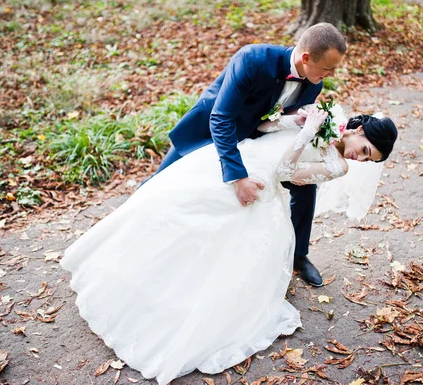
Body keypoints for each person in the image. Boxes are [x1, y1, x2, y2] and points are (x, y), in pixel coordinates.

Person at [60, 105, 397, 385]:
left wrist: (308, 130)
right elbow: (265, 127)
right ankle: (122, 276)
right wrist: (292, 119)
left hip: (262, 186)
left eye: (367, 160)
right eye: (366, 150)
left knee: (210, 247)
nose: (360, 159)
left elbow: (285, 171)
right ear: (359, 129)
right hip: (234, 162)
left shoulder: (337, 167)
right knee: (170, 210)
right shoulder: (329, 113)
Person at [142, 22, 347, 287]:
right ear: (306, 58)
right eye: (328, 68)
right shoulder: (253, 59)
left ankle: (298, 256)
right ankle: (134, 237)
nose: (330, 74)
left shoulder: (313, 82)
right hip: (210, 130)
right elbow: (221, 118)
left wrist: (297, 118)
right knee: (159, 185)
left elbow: (280, 114)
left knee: (306, 186)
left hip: (258, 141)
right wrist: (238, 177)